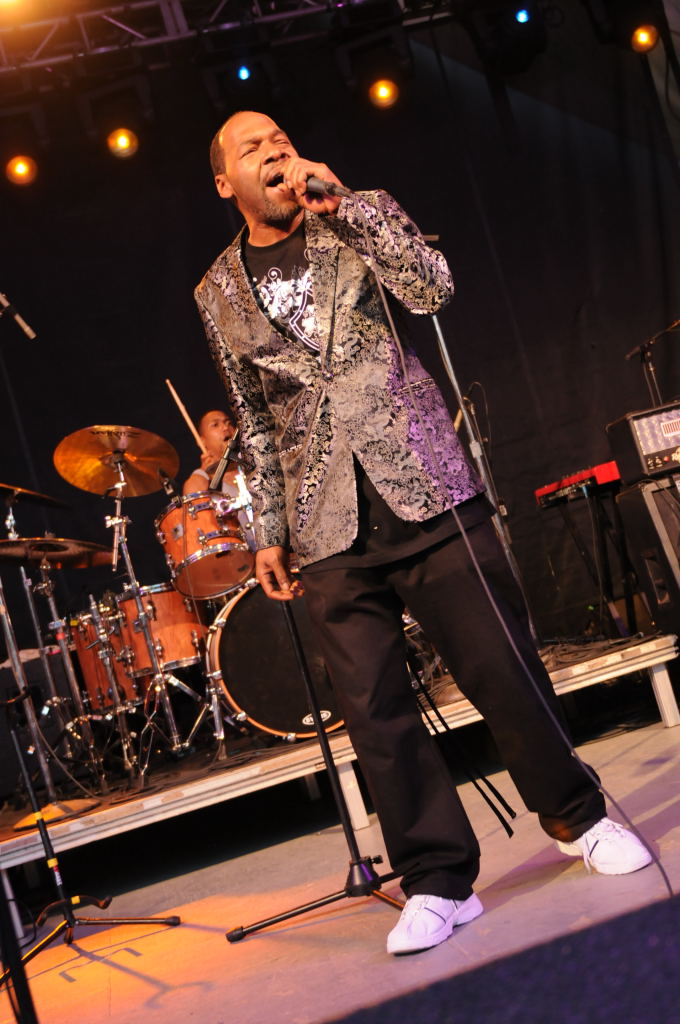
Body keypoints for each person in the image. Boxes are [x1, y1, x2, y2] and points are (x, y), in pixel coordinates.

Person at [194, 110, 652, 956]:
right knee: (376, 713)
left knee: (503, 670)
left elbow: (432, 289)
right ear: (226, 182)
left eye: (279, 137)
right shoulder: (216, 292)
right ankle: (438, 881)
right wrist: (267, 530)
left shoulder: (355, 210)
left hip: (423, 478)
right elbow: (253, 419)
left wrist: (348, 207)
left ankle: (578, 816)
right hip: (325, 521)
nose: (274, 150)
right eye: (252, 148)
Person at [183, 408, 255, 550]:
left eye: (228, 423)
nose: (225, 427)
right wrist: (205, 475)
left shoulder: (252, 464)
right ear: (202, 441)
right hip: (240, 557)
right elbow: (195, 521)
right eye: (215, 425)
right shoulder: (201, 478)